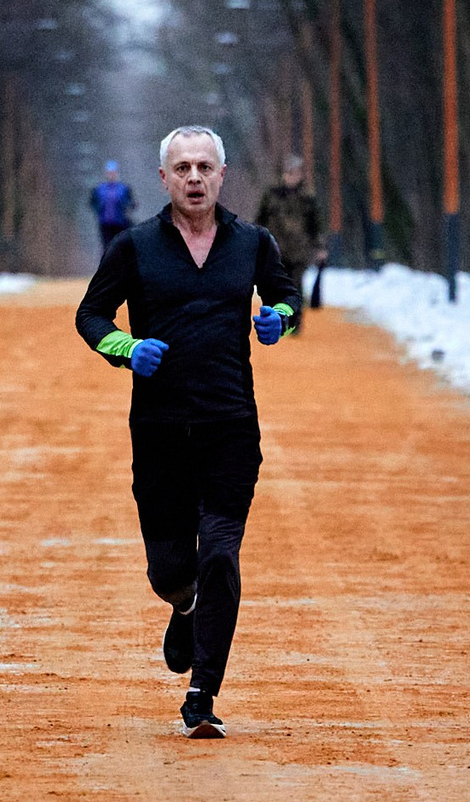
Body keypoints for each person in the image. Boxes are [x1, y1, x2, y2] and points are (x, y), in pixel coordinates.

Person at [75, 125, 300, 737]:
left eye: (205, 166)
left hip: (231, 426)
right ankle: (184, 604)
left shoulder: (252, 243)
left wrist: (277, 319)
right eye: (183, 168)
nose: (195, 178)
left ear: (223, 175)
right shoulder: (134, 246)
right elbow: (90, 314)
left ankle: (201, 695)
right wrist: (125, 347)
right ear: (164, 178)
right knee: (170, 569)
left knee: (222, 555)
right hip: (159, 431)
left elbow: (286, 297)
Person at [253, 156, 322, 333]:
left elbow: (316, 226)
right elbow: (260, 220)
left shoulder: (308, 198)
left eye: (295, 173)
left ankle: (295, 323)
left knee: (296, 288)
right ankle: (275, 321)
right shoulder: (271, 194)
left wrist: (320, 248)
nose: (292, 177)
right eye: (289, 173)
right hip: (275, 251)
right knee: (275, 287)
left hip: (299, 251)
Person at [89, 162, 135, 253]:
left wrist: (126, 208)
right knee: (107, 248)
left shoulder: (124, 188)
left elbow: (132, 203)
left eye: (113, 173)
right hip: (105, 223)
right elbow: (92, 202)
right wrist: (98, 210)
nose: (111, 175)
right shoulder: (99, 189)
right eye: (109, 173)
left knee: (119, 246)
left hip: (120, 223)